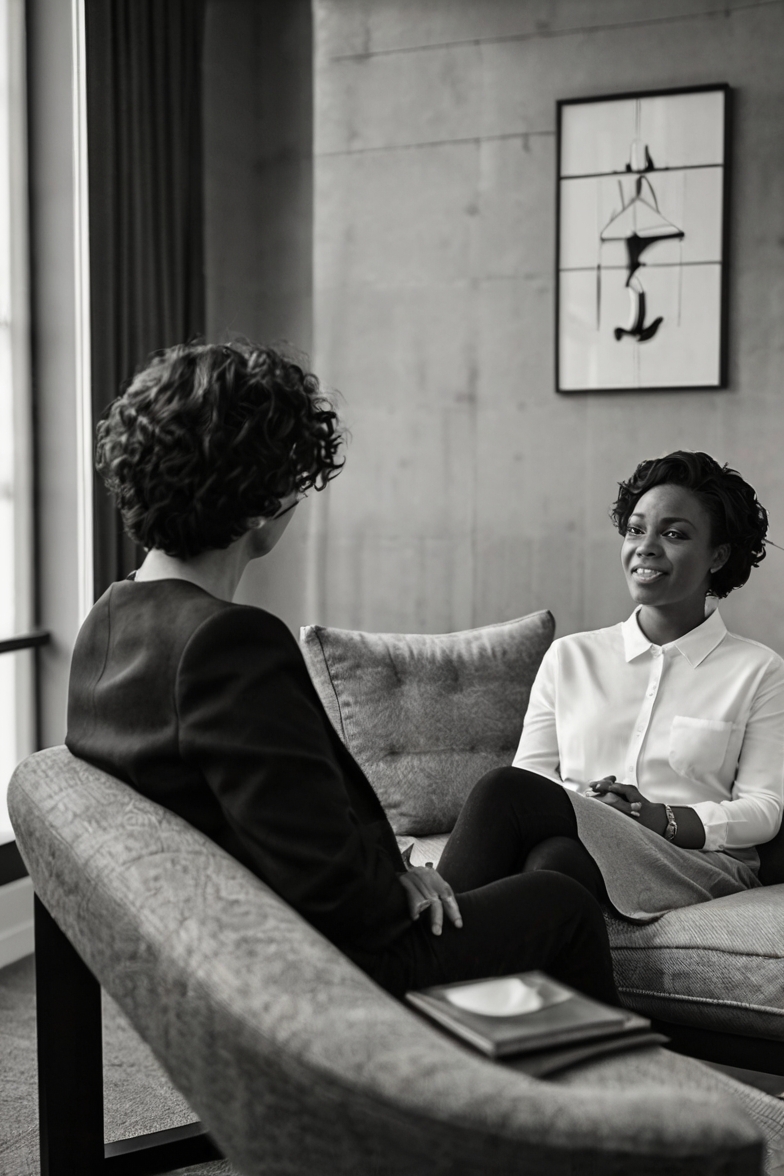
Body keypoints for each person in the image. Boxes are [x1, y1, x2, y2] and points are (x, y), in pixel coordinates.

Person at [66, 341, 618, 1005]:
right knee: (560, 901)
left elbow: (272, 826)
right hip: (338, 967)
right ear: (258, 506)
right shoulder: (226, 644)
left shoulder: (110, 618)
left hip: (247, 943)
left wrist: (400, 871)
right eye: (293, 481)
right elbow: (335, 892)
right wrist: (390, 887)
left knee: (513, 810)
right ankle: (610, 1107)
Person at [503, 450, 784, 922]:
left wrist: (660, 819)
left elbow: (764, 809)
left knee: (507, 802)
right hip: (573, 842)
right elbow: (531, 777)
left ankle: (420, 937)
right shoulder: (571, 657)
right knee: (550, 857)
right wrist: (592, 813)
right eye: (636, 529)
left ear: (718, 555)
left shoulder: (759, 671)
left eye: (673, 534)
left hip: (694, 863)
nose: (646, 547)